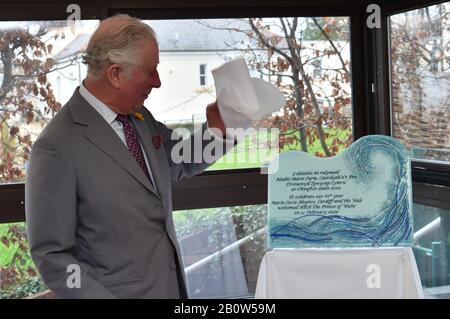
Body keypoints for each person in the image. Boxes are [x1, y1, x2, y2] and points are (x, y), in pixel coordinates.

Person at [25, 15, 234, 299]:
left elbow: (179, 159)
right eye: (151, 71)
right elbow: (53, 256)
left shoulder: (138, 117)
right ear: (115, 73)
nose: (158, 82)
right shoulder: (56, 146)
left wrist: (218, 131)